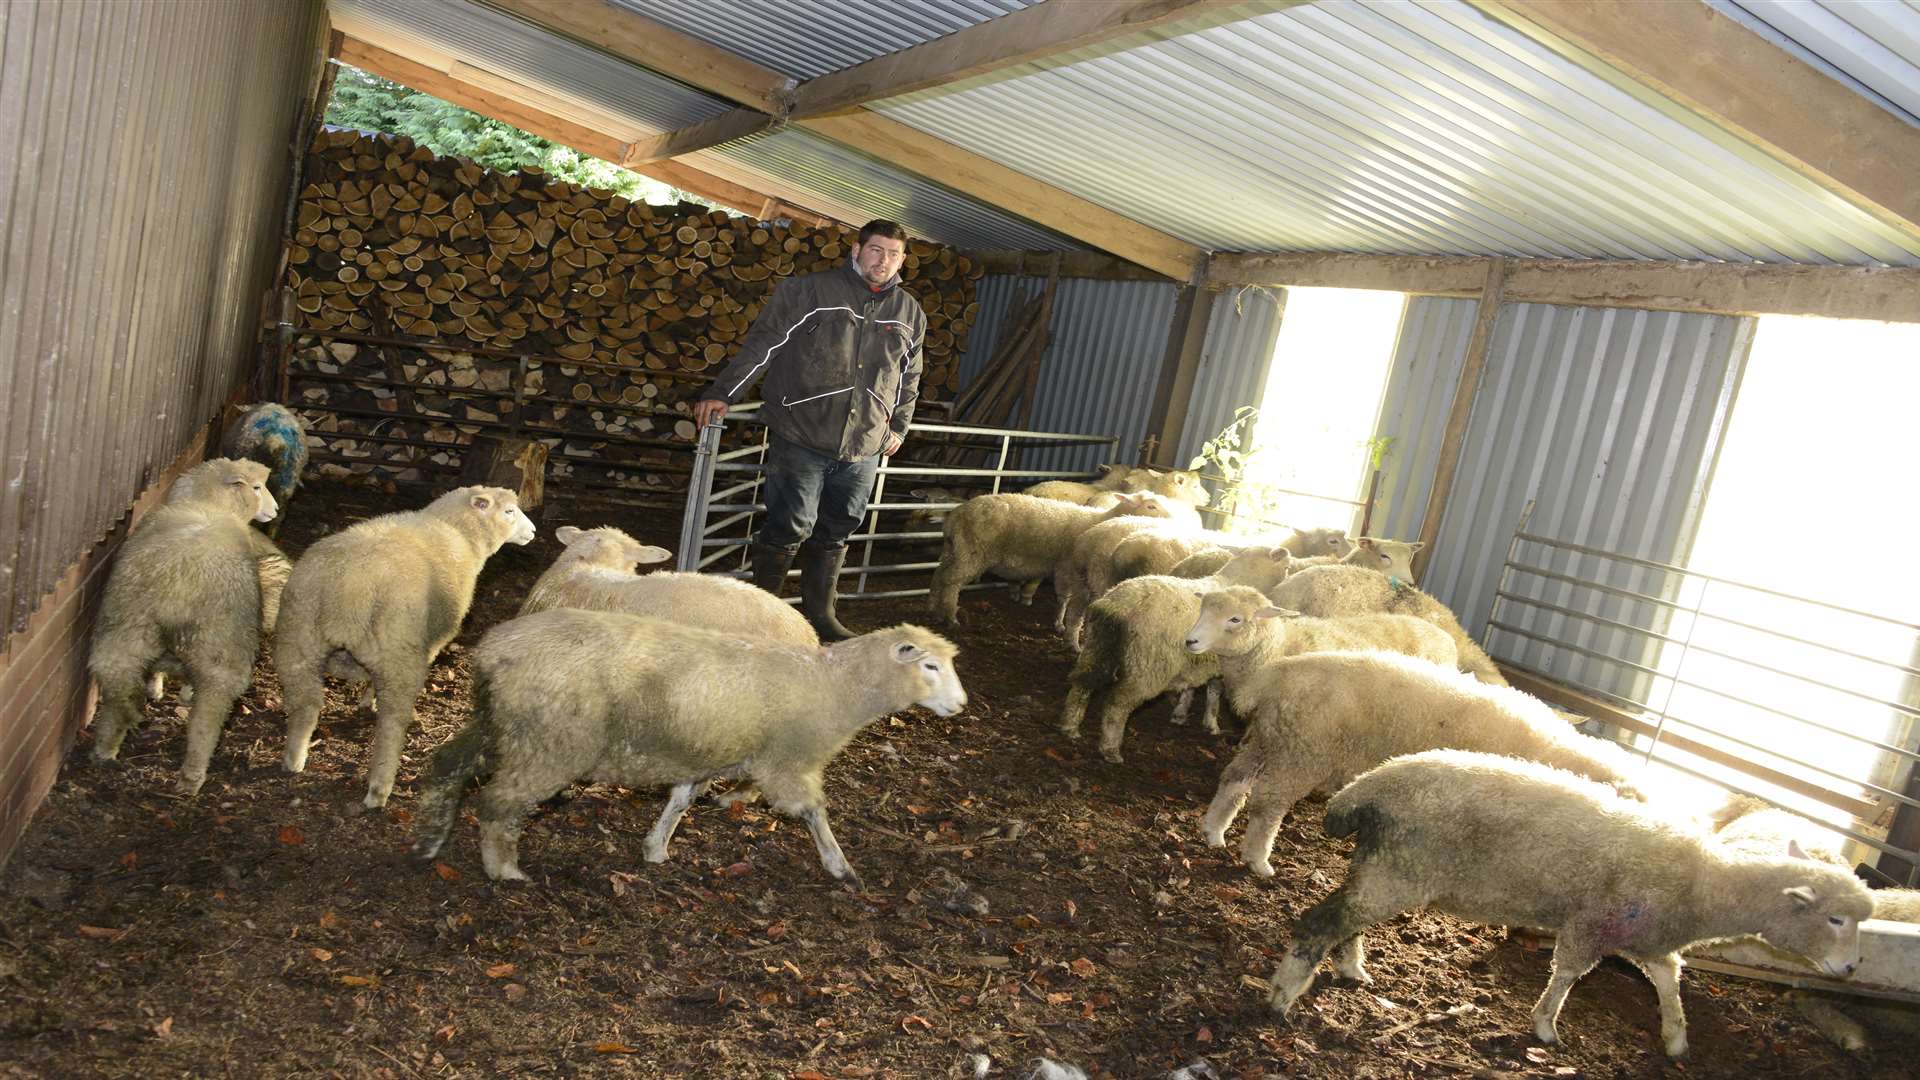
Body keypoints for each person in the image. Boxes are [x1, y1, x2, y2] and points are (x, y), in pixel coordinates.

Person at [692, 219, 925, 641]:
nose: (883, 260)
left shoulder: (909, 312)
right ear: (856, 250)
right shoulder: (809, 291)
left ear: (903, 259)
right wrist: (724, 392)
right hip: (803, 431)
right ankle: (761, 618)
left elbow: (910, 377)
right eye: (875, 250)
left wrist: (899, 426)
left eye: (893, 253)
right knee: (790, 525)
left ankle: (820, 615)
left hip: (864, 443)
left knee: (840, 525)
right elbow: (765, 343)